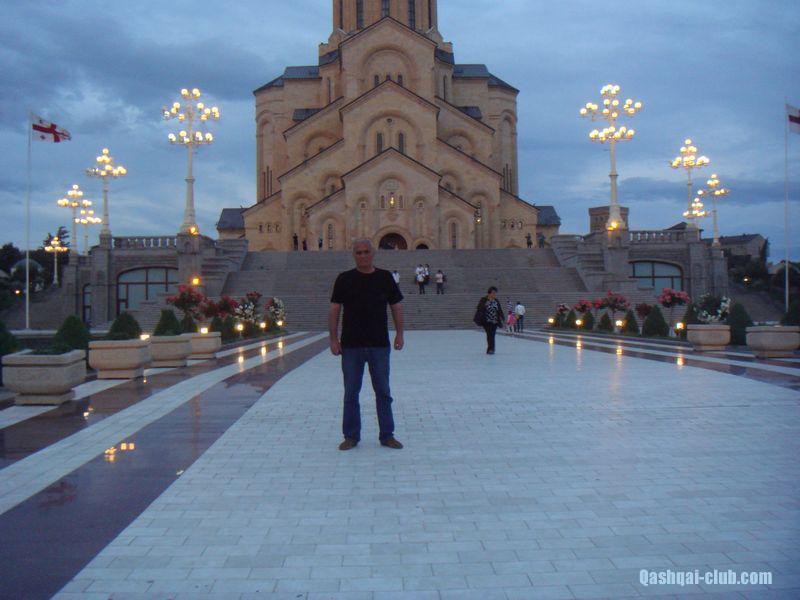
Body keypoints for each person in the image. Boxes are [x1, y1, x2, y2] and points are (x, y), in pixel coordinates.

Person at [329, 238, 405, 451]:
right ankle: (351, 436)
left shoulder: (385, 277)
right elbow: (334, 309)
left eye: (366, 252)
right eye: (359, 252)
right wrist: (333, 339)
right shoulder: (344, 279)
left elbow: (396, 306)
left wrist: (400, 334)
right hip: (351, 345)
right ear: (354, 255)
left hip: (378, 344)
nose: (363, 256)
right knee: (351, 392)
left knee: (383, 391)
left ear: (373, 253)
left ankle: (387, 435)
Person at [473, 286, 504, 354]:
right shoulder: (484, 300)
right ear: (489, 293)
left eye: (495, 293)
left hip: (495, 320)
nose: (494, 294)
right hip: (486, 320)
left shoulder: (496, 301)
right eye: (493, 293)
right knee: (489, 334)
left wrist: (502, 317)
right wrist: (485, 305)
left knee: (492, 335)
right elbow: (479, 308)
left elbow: (499, 309)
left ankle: (491, 349)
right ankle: (491, 349)